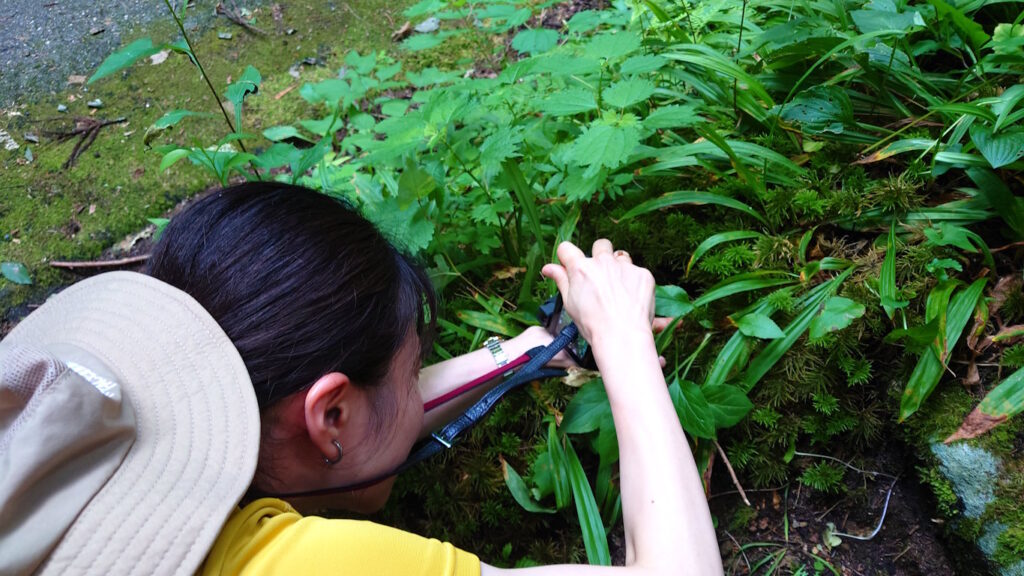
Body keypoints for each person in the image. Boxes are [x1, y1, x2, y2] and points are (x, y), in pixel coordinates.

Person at [0, 183, 722, 575]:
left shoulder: (68, 420)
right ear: (329, 418)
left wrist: (529, 351)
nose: (419, 390)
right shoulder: (289, 565)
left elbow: (339, 420)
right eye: (411, 376)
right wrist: (625, 346)